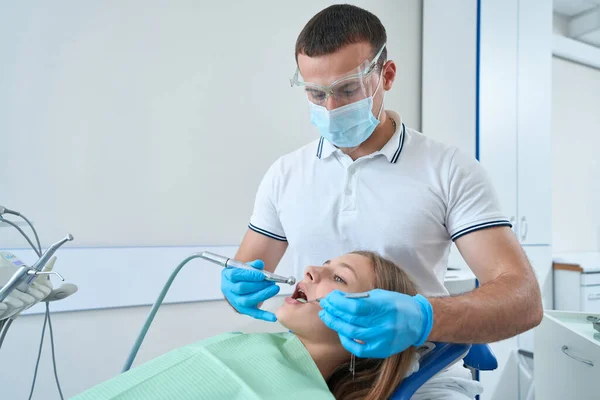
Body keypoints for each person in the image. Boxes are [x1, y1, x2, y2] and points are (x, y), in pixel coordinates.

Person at [221, 4, 543, 399]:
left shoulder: (449, 169)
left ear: (386, 76)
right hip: (315, 370)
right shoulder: (285, 174)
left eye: (347, 90)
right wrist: (237, 287)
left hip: (415, 374)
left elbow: (524, 300)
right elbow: (249, 271)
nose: (330, 108)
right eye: (315, 93)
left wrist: (425, 317)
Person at [71, 252, 466, 400]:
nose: (310, 268)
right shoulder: (240, 342)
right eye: (323, 262)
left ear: (368, 330)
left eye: (338, 278)